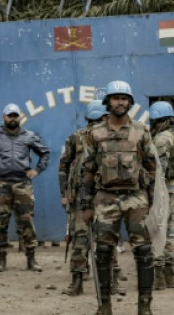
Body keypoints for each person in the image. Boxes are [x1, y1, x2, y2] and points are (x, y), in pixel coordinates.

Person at [80, 80, 158, 315]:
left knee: (143, 252)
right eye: (116, 98)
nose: (120, 102)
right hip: (105, 198)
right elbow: (88, 170)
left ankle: (144, 307)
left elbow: (151, 167)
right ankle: (104, 307)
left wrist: (152, 201)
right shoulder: (95, 133)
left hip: (136, 198)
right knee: (103, 253)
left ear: (130, 102)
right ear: (108, 102)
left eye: (124, 98)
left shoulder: (141, 131)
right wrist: (86, 202)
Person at [0, 103, 50, 273]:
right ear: (4, 117)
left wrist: (36, 170)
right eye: (9, 116)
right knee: (1, 223)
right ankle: (1, 260)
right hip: (2, 185)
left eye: (15, 116)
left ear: (20, 117)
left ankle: (31, 259)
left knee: (27, 222)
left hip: (23, 185)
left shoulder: (29, 136)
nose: (13, 119)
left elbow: (45, 153)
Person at [59, 100, 108, 296]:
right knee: (80, 237)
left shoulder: (112, 138)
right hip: (81, 195)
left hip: (105, 194)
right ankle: (77, 280)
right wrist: (64, 193)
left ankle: (109, 281)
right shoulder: (76, 138)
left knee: (106, 238)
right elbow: (63, 166)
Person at [148, 101, 174, 290]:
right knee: (169, 229)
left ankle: (159, 275)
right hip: (170, 186)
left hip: (162, 187)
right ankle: (169, 276)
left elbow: (157, 166)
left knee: (158, 230)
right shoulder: (172, 134)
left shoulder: (162, 138)